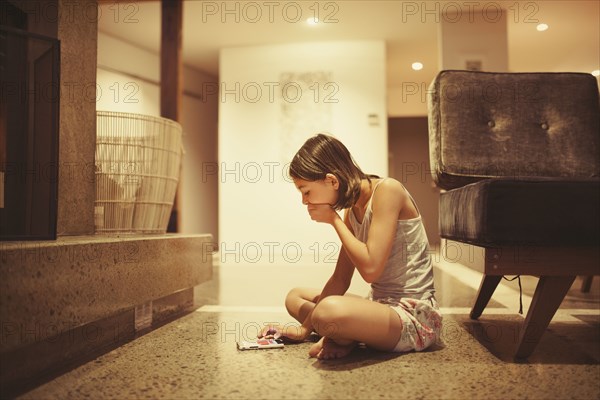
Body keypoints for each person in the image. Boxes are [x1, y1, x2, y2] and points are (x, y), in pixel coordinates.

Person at [259, 133, 442, 359]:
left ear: (332, 181)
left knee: (326, 312)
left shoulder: (388, 191)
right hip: (378, 305)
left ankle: (343, 334)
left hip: (412, 317)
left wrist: (333, 220)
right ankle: (345, 333)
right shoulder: (352, 211)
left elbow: (370, 269)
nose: (305, 201)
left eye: (306, 191)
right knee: (295, 296)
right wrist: (303, 330)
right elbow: (340, 279)